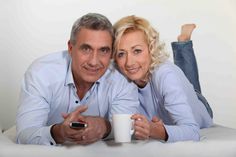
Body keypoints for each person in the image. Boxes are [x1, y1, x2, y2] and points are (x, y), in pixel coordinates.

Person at [16, 13, 139, 145]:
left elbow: (126, 131)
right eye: (86, 49)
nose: (93, 62)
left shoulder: (122, 78)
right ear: (70, 48)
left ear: (111, 53)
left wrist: (105, 126)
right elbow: (25, 134)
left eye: (103, 50)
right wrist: (59, 132)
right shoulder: (41, 73)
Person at [113, 16, 213, 142]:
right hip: (171, 96)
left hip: (198, 106)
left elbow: (192, 132)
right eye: (121, 54)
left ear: (151, 49)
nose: (129, 62)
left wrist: (155, 130)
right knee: (180, 79)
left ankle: (183, 42)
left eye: (137, 51)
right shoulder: (120, 78)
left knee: (191, 86)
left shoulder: (166, 75)